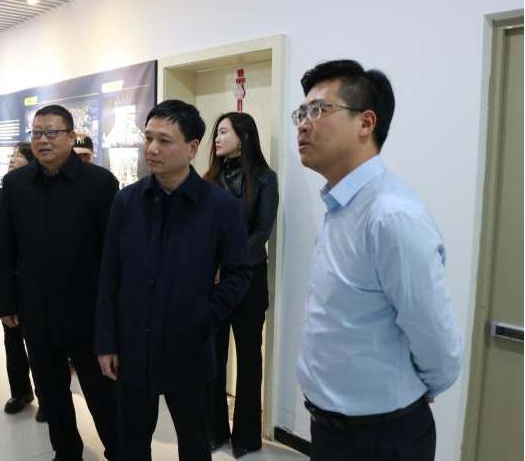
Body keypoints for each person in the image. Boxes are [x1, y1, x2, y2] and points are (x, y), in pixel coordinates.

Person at [294, 60, 464, 461]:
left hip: (380, 437)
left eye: (317, 110)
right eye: (300, 114)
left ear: (365, 122)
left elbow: (435, 337)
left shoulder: (390, 215)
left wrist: (420, 388)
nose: (303, 125)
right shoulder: (341, 205)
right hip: (332, 429)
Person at [95, 99, 252, 461]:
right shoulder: (126, 202)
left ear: (192, 148)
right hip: (132, 346)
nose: (151, 148)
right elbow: (109, 275)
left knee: (194, 442)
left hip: (189, 347)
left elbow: (240, 272)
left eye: (164, 140)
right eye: (148, 138)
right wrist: (106, 341)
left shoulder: (220, 207)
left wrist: (205, 315)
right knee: (131, 444)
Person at [0, 104, 119, 461]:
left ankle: (119, 451)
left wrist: (114, 314)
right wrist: (6, 302)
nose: (43, 140)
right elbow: (6, 248)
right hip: (37, 310)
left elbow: (114, 254)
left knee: (103, 396)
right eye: (36, 134)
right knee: (51, 394)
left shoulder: (99, 183)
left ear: (70, 136)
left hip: (87, 313)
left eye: (51, 133)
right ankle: (66, 452)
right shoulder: (15, 184)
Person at [204, 112, 278, 458]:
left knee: (249, 359)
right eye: (216, 133)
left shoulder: (265, 178)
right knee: (213, 357)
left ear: (244, 137)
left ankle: (246, 437)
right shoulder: (209, 179)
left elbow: (262, 231)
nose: (217, 139)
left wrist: (229, 264)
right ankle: (214, 429)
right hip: (214, 282)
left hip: (248, 279)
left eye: (223, 132)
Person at [0, 142, 45, 421]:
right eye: (12, 155)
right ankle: (20, 392)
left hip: (35, 283)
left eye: (18, 156)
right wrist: (0, 260)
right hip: (7, 282)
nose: (11, 160)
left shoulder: (41, 195)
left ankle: (48, 397)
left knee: (40, 343)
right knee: (12, 341)